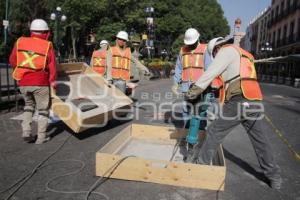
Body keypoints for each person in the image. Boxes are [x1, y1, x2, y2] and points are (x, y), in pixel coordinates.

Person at [185, 39, 282, 189]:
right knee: (260, 140)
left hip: (239, 98)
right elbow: (227, 79)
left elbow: (211, 73)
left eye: (214, 54)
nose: (215, 57)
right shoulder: (244, 53)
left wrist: (192, 92)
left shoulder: (226, 51)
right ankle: (274, 177)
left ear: (216, 48)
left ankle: (201, 166)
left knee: (214, 131)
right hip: (254, 98)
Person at [9, 19, 56, 144]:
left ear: (31, 31)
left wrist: (24, 71)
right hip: (40, 83)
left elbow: (13, 60)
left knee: (28, 106)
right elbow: (52, 67)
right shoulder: (47, 45)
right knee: (43, 110)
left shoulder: (20, 41)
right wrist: (53, 83)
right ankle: (41, 137)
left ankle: (26, 132)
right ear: (46, 32)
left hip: (24, 82)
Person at [172, 28, 208, 129]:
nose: (190, 45)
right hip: (186, 87)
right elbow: (179, 68)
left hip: (200, 88)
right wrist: (175, 83)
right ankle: (186, 132)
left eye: (192, 43)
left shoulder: (205, 49)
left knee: (201, 111)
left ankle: (200, 133)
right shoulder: (183, 50)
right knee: (185, 110)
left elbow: (209, 69)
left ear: (197, 39)